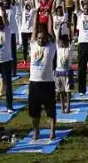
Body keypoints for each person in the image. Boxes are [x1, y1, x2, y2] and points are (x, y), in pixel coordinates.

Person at [28, 12, 57, 140]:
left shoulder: (51, 47)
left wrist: (49, 14)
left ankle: (52, 131)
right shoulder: (33, 45)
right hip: (34, 83)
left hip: (48, 83)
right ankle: (36, 131)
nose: (41, 39)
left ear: (47, 38)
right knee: (34, 111)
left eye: (43, 38)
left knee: (50, 109)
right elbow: (34, 28)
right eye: (39, 38)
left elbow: (51, 30)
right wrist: (36, 13)